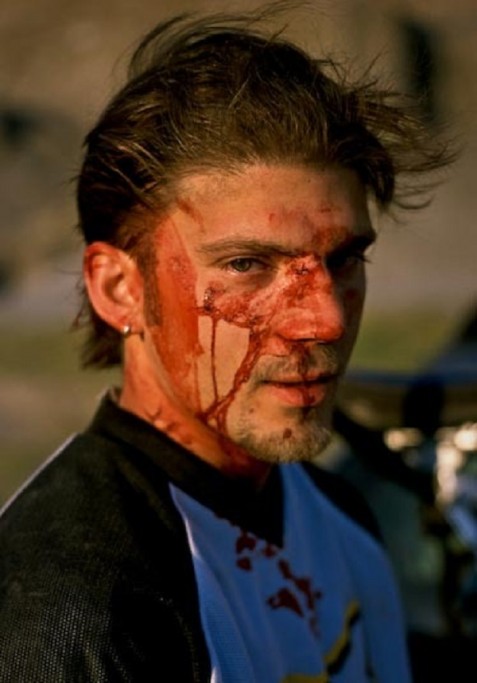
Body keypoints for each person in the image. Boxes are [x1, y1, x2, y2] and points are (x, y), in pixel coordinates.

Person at [0, 6, 453, 682]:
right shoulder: (77, 614)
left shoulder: (336, 516)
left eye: (343, 260)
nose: (325, 318)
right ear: (119, 289)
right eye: (246, 264)